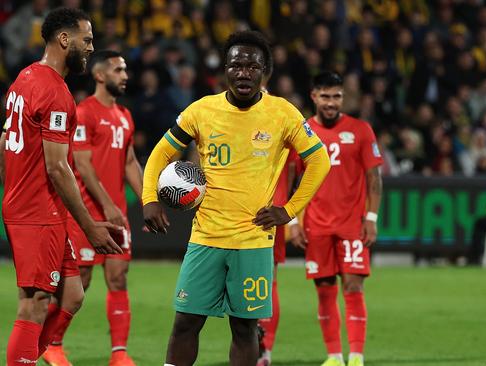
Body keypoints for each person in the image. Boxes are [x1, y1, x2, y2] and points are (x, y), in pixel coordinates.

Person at [141, 30, 330, 366]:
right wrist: (149, 199)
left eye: (252, 66)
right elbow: (159, 155)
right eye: (236, 65)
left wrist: (289, 210)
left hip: (254, 241)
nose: (244, 72)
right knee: (185, 322)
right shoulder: (202, 111)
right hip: (206, 237)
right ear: (224, 70)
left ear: (264, 72)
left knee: (244, 329)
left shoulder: (283, 113)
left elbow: (320, 160)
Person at [1, 8, 122, 365]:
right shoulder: (54, 93)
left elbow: (5, 139)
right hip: (36, 210)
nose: (90, 47)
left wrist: (11, 188)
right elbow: (58, 166)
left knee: (71, 295)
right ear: (64, 39)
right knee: (34, 302)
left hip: (40, 206)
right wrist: (89, 226)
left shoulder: (24, 78)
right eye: (87, 40)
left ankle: (30, 357)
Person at [41, 50, 142, 366]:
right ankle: (52, 344)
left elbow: (129, 161)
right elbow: (82, 166)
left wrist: (146, 200)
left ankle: (119, 354)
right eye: (118, 70)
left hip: (116, 214)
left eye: (125, 70)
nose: (124, 75)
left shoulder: (125, 115)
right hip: (86, 213)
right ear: (100, 75)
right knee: (79, 282)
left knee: (118, 278)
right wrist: (109, 205)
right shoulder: (83, 112)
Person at [290, 71, 384, 366]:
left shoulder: (361, 130)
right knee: (324, 288)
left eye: (337, 96)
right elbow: (291, 181)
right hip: (316, 225)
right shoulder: (301, 131)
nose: (332, 103)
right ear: (314, 96)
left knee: (354, 286)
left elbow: (374, 178)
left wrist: (371, 217)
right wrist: (293, 222)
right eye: (326, 96)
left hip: (351, 225)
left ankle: (356, 355)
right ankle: (334, 356)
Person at [256, 151, 299, 366]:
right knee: (266, 280)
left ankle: (263, 349)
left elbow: (292, 170)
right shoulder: (285, 121)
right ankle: (260, 349)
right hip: (271, 209)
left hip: (264, 212)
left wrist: (290, 214)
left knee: (265, 280)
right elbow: (292, 171)